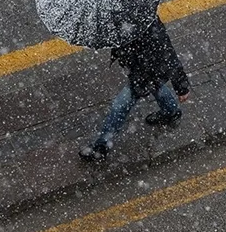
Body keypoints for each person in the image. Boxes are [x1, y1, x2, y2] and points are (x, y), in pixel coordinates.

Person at [79, 16, 190, 161]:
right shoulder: (122, 19)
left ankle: (101, 146)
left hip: (145, 72)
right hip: (141, 70)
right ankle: (171, 111)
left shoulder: (149, 25)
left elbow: (169, 55)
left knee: (120, 105)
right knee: (156, 87)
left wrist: (181, 86)